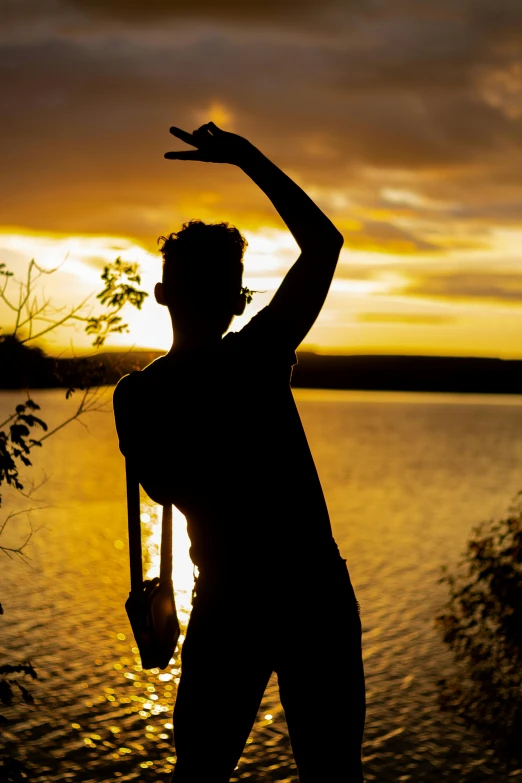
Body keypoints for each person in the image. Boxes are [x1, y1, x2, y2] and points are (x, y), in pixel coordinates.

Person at [113, 122, 365, 782]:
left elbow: (162, 487)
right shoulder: (256, 359)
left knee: (198, 773)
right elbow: (325, 243)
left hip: (228, 602)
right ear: (237, 300)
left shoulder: (136, 397)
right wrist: (245, 155)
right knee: (333, 773)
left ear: (163, 294)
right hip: (313, 595)